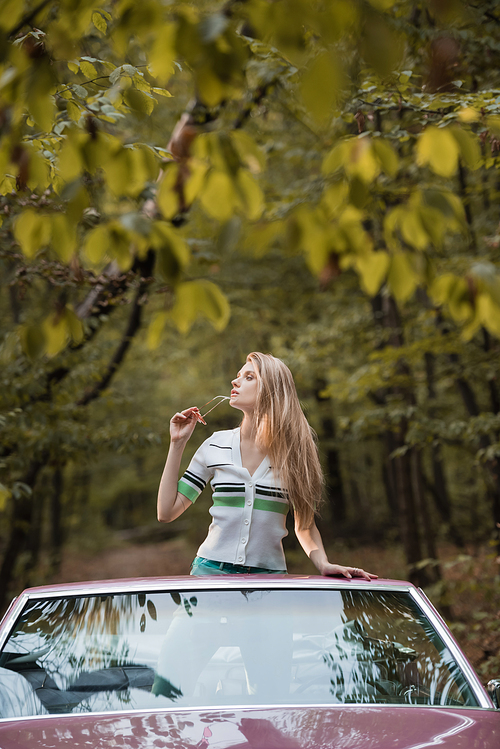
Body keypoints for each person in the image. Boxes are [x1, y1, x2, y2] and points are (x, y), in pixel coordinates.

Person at [157, 352, 376, 580]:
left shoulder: (294, 454)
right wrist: (177, 443)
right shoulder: (215, 445)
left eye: (249, 377)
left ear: (272, 390)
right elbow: (166, 512)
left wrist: (323, 563)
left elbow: (305, 525)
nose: (235, 381)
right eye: (238, 375)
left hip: (271, 580)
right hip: (209, 574)